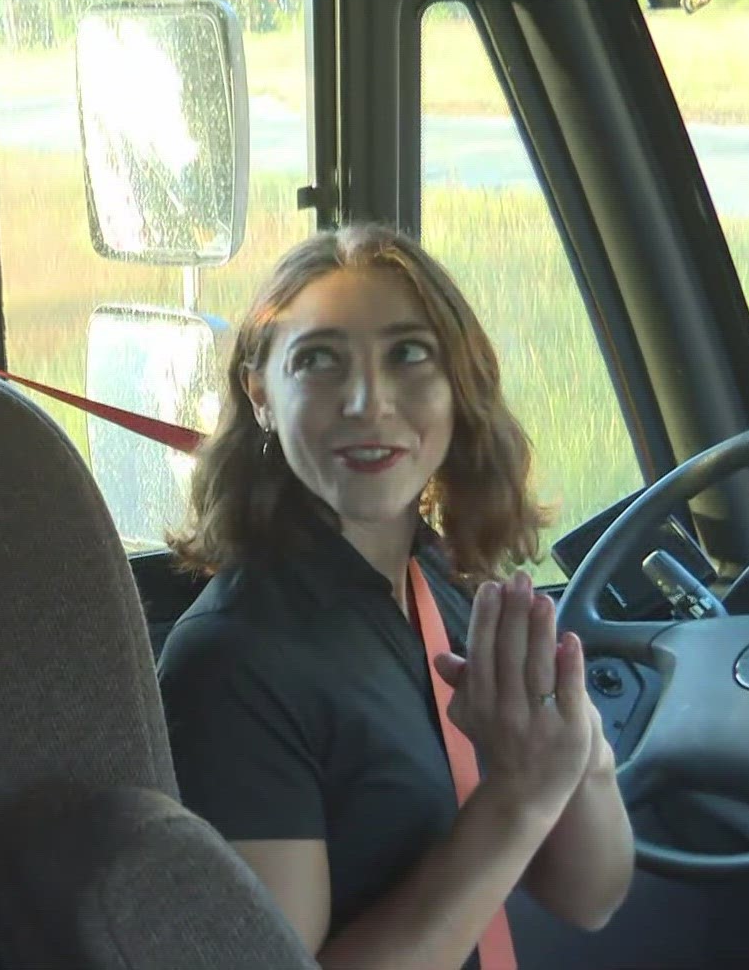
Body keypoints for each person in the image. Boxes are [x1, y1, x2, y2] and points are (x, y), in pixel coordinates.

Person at [156, 224, 634, 969]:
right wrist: (516, 799)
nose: (367, 401)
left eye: (408, 354)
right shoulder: (231, 665)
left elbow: (591, 898)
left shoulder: (442, 586)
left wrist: (581, 758)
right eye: (318, 361)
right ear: (261, 395)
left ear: (458, 385)